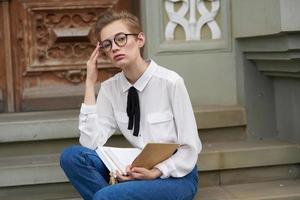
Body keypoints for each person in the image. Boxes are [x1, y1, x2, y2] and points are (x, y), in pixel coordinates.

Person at [60, 10, 202, 200]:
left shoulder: (170, 82)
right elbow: (90, 142)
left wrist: (157, 171)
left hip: (176, 176)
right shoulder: (110, 89)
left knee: (105, 197)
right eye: (107, 45)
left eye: (121, 39)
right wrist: (89, 84)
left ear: (140, 39)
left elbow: (190, 147)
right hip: (135, 168)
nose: (114, 48)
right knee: (72, 157)